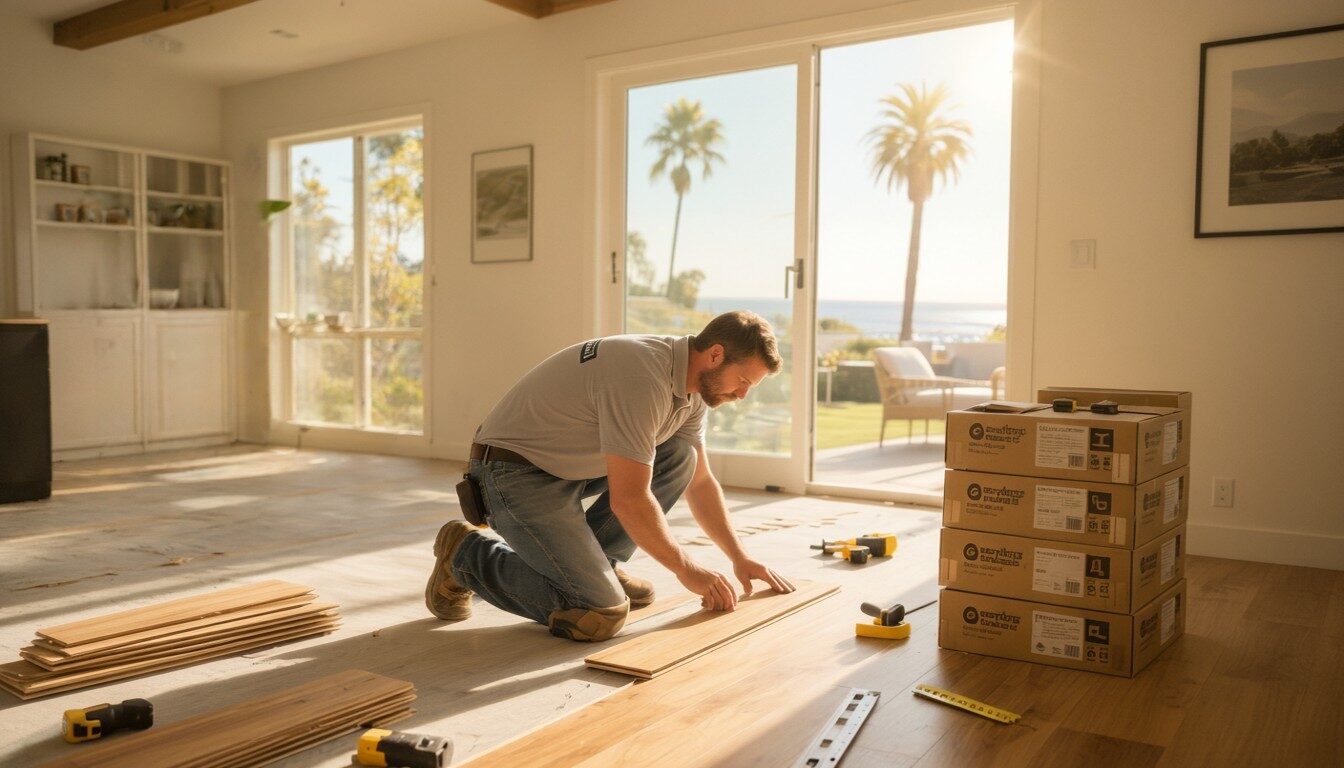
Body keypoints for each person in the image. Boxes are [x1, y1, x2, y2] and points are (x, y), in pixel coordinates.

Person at [424, 311, 797, 642]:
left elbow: (699, 482)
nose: (743, 394)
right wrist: (689, 571)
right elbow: (629, 499)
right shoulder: (641, 375)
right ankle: (465, 555)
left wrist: (739, 557)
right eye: (743, 380)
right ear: (715, 354)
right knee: (597, 614)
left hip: (566, 465)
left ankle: (599, 564)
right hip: (512, 472)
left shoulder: (694, 391)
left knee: (679, 456)